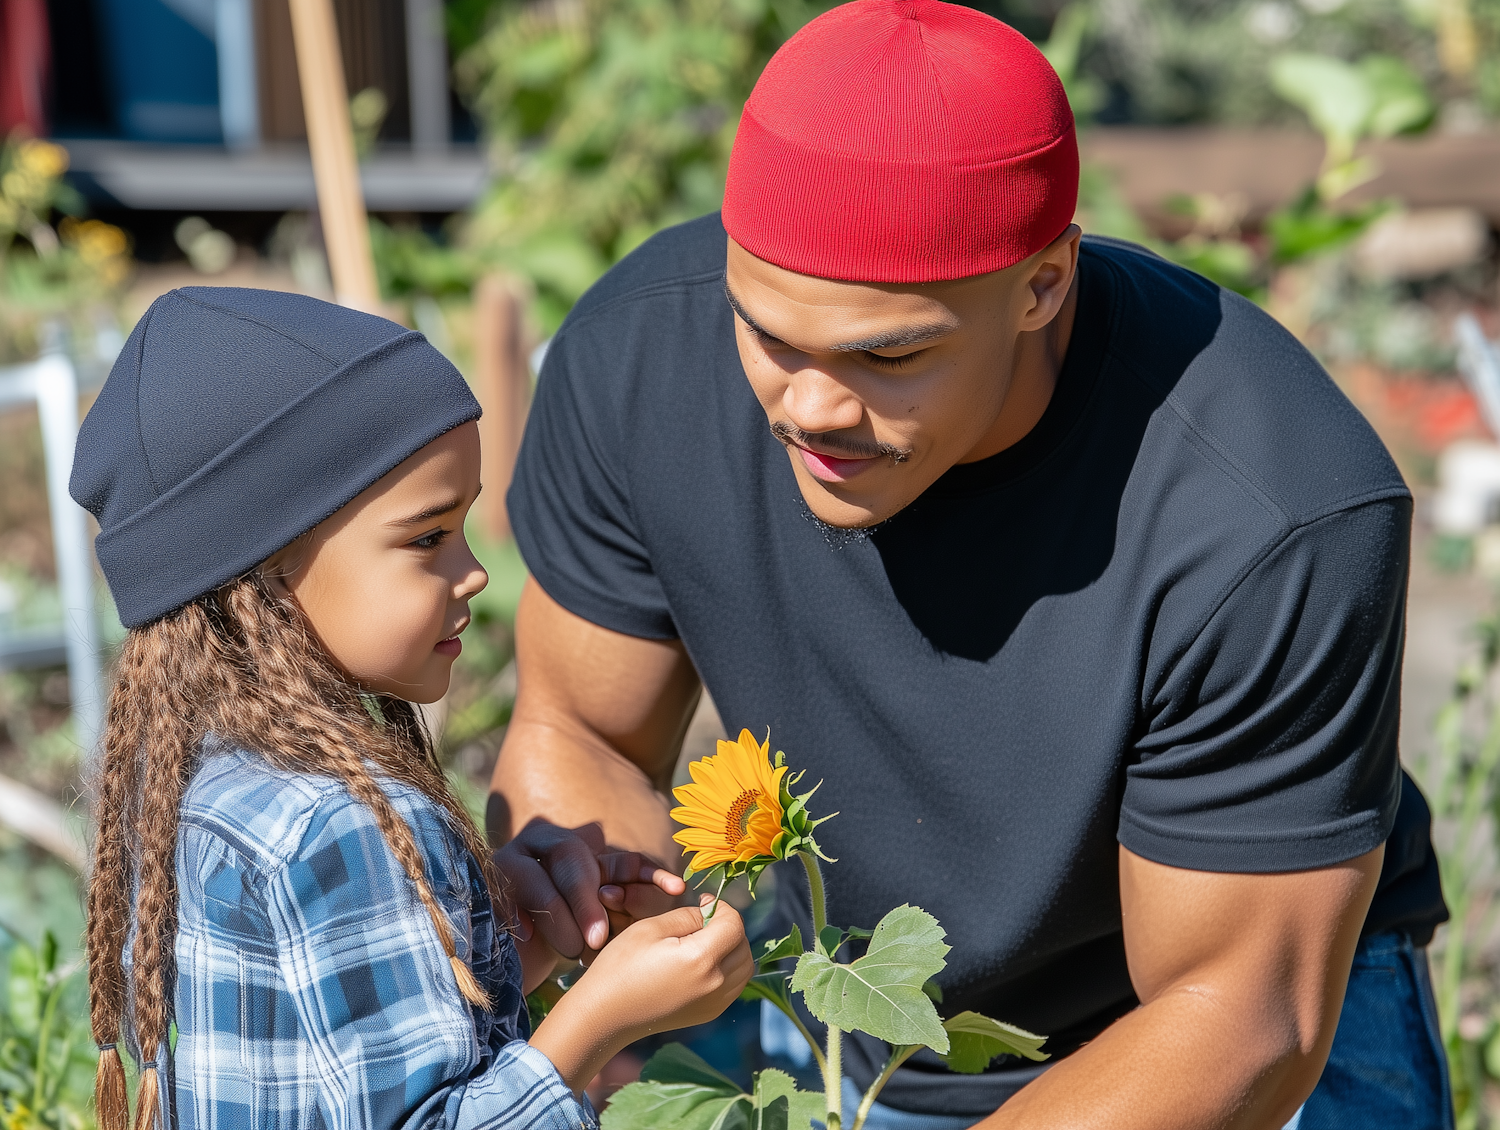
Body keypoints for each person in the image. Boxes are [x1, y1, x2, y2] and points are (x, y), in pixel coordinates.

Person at [487, 2, 1452, 1128]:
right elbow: (581, 732)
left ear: (1044, 285)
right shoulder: (638, 359)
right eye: (767, 334)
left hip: (1236, 1033)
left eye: (887, 353)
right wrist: (585, 961)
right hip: (856, 1012)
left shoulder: (1268, 503)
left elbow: (1239, 1015)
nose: (810, 407)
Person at [71, 287, 753, 1130]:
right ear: (266, 572)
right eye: (428, 537)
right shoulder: (345, 822)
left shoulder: (199, 787)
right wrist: (603, 1016)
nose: (473, 573)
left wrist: (497, 945)